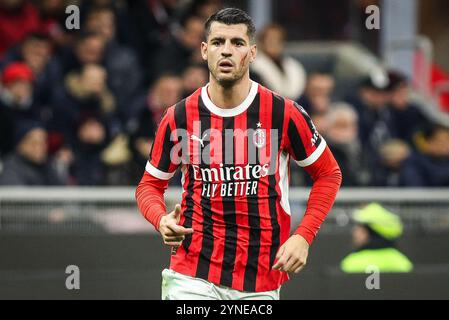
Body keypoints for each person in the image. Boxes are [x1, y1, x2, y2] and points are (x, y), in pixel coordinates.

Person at [135, 8, 341, 300]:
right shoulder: (178, 117)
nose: (227, 51)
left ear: (253, 52)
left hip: (260, 279)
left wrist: (303, 236)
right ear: (205, 51)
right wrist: (160, 219)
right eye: (218, 42)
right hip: (192, 273)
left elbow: (328, 174)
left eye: (237, 43)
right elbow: (148, 185)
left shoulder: (284, 113)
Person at [340, 203, 413, 273]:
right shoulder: (403, 264)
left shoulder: (350, 265)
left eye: (360, 227)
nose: (355, 231)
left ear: (371, 232)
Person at [0, 121, 69, 185]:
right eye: (34, 143)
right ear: (20, 145)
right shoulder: (10, 168)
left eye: (43, 143)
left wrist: (61, 170)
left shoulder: (50, 166)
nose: (39, 147)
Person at [251, 23, 306, 100]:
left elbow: (296, 93)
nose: (274, 43)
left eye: (278, 40)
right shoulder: (253, 68)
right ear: (262, 42)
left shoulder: (292, 65)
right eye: (270, 39)